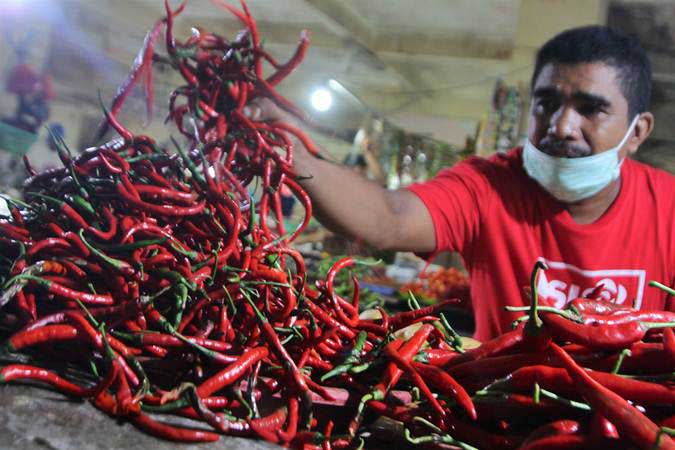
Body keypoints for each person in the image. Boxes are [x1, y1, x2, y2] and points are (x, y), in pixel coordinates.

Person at [247, 25, 674, 341]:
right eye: (546, 104)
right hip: (501, 419)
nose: (562, 126)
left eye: (591, 109)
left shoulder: (668, 208)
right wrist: (296, 156)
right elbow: (390, 218)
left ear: (637, 132)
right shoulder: (489, 184)